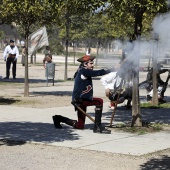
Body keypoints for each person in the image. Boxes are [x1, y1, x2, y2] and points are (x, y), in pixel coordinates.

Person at [52, 55, 115, 134]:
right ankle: (98, 127)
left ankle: (58, 118)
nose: (92, 65)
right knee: (99, 101)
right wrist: (112, 69)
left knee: (80, 126)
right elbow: (98, 73)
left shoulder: (82, 70)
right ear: (85, 64)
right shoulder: (84, 71)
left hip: (81, 100)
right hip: (80, 100)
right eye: (91, 63)